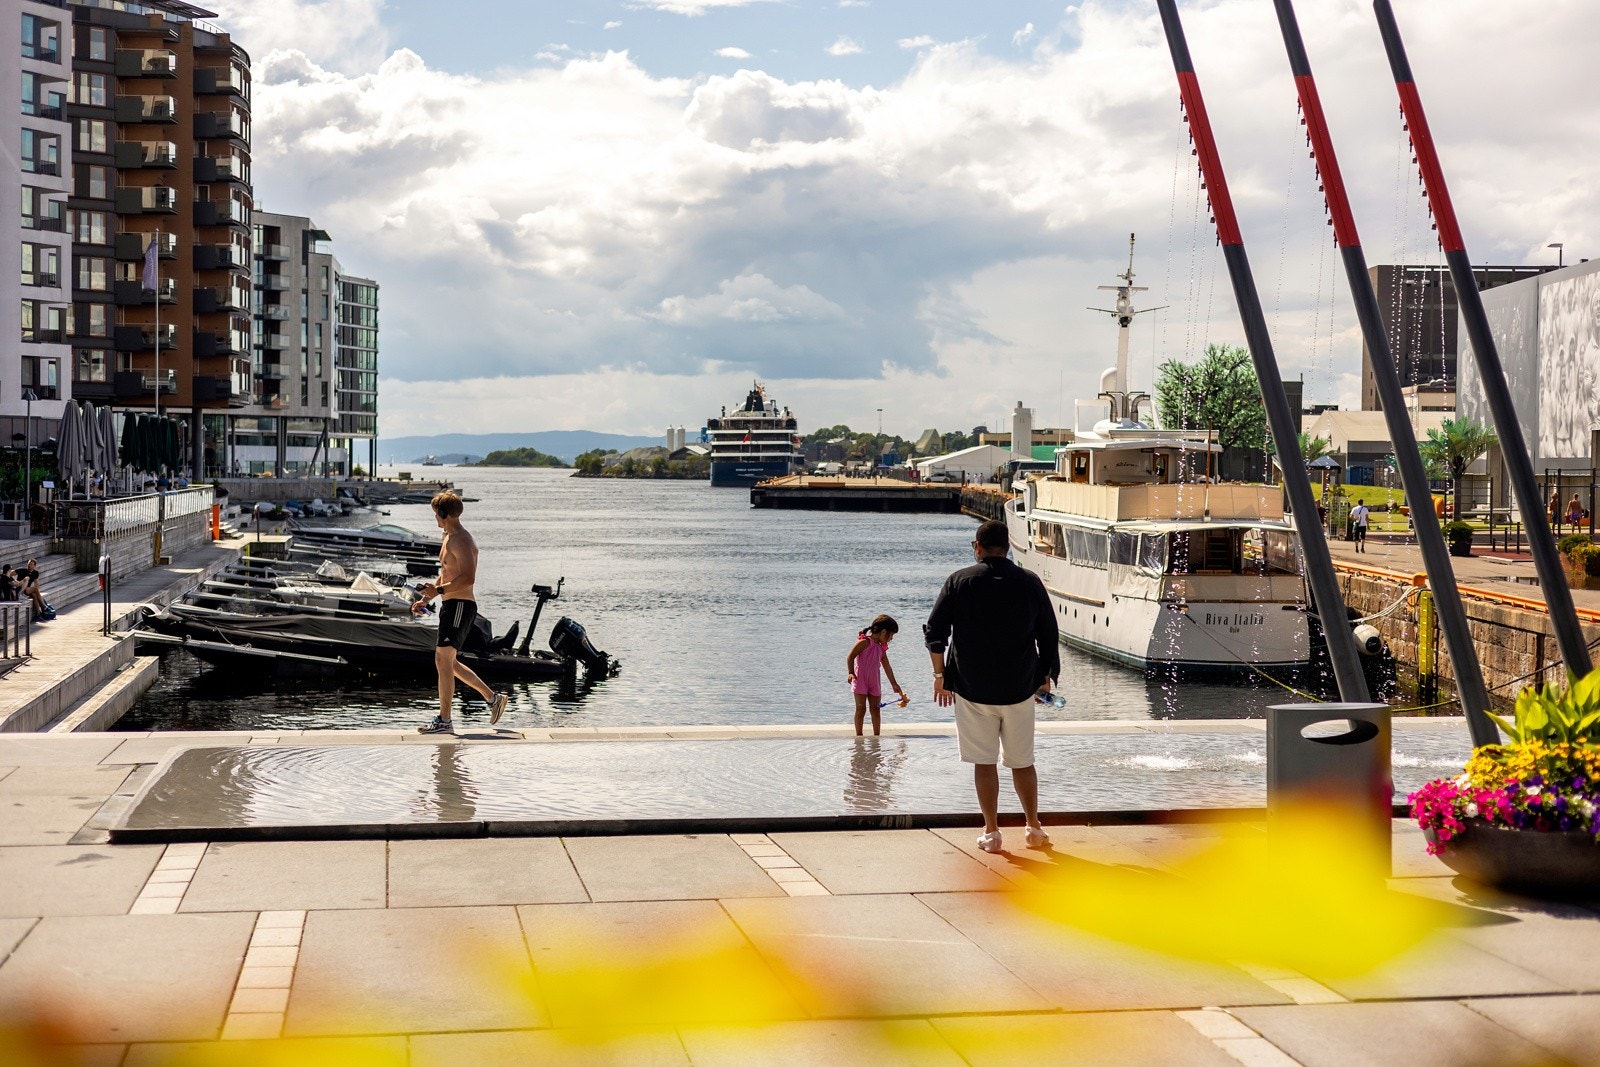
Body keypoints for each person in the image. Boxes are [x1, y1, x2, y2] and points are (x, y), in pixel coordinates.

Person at [924, 519, 1059, 854]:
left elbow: (936, 633)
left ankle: (992, 832)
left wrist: (940, 677)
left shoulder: (959, 581)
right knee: (1023, 761)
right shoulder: (1029, 582)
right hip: (1019, 687)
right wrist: (1045, 677)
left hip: (972, 687)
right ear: (1009, 547)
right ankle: (1033, 827)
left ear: (977, 547)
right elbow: (1049, 633)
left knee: (984, 762)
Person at [413, 491, 509, 733]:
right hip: (450, 605)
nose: (434, 517)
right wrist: (427, 596)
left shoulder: (462, 540)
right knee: (449, 662)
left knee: (442, 659)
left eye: (436, 513)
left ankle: (444, 721)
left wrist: (439, 591)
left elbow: (467, 577)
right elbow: (446, 574)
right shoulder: (448, 537)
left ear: (443, 514)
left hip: (460, 606)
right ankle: (493, 698)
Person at [846, 614, 905, 736]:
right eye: (891, 635)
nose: (891, 639)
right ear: (883, 632)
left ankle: (876, 736)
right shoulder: (864, 642)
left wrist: (894, 683)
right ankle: (859, 736)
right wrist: (851, 672)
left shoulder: (881, 648)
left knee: (876, 709)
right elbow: (850, 657)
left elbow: (887, 666)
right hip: (860, 680)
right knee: (861, 709)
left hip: (874, 682)